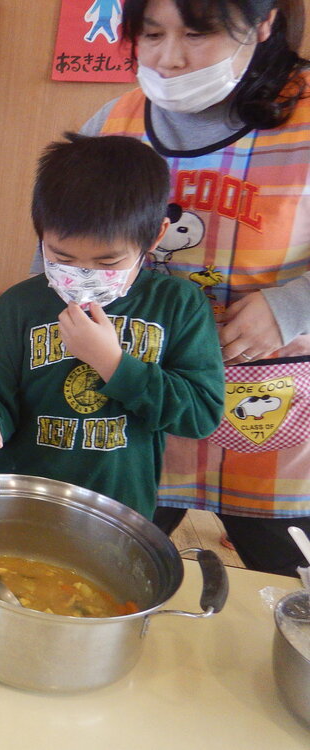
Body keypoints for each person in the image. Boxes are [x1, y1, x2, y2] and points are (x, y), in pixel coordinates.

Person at [73, 0, 310, 575]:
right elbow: (60, 257)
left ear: (262, 23)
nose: (169, 59)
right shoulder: (112, 126)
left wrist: (290, 307)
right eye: (151, 35)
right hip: (142, 403)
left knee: (286, 598)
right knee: (107, 575)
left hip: (270, 412)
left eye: (197, 34)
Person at [0, 134, 224, 520]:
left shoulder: (178, 305)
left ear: (156, 235)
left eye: (107, 261)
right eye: (61, 256)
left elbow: (200, 413)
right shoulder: (18, 306)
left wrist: (114, 364)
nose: (82, 275)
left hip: (120, 507)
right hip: (19, 499)